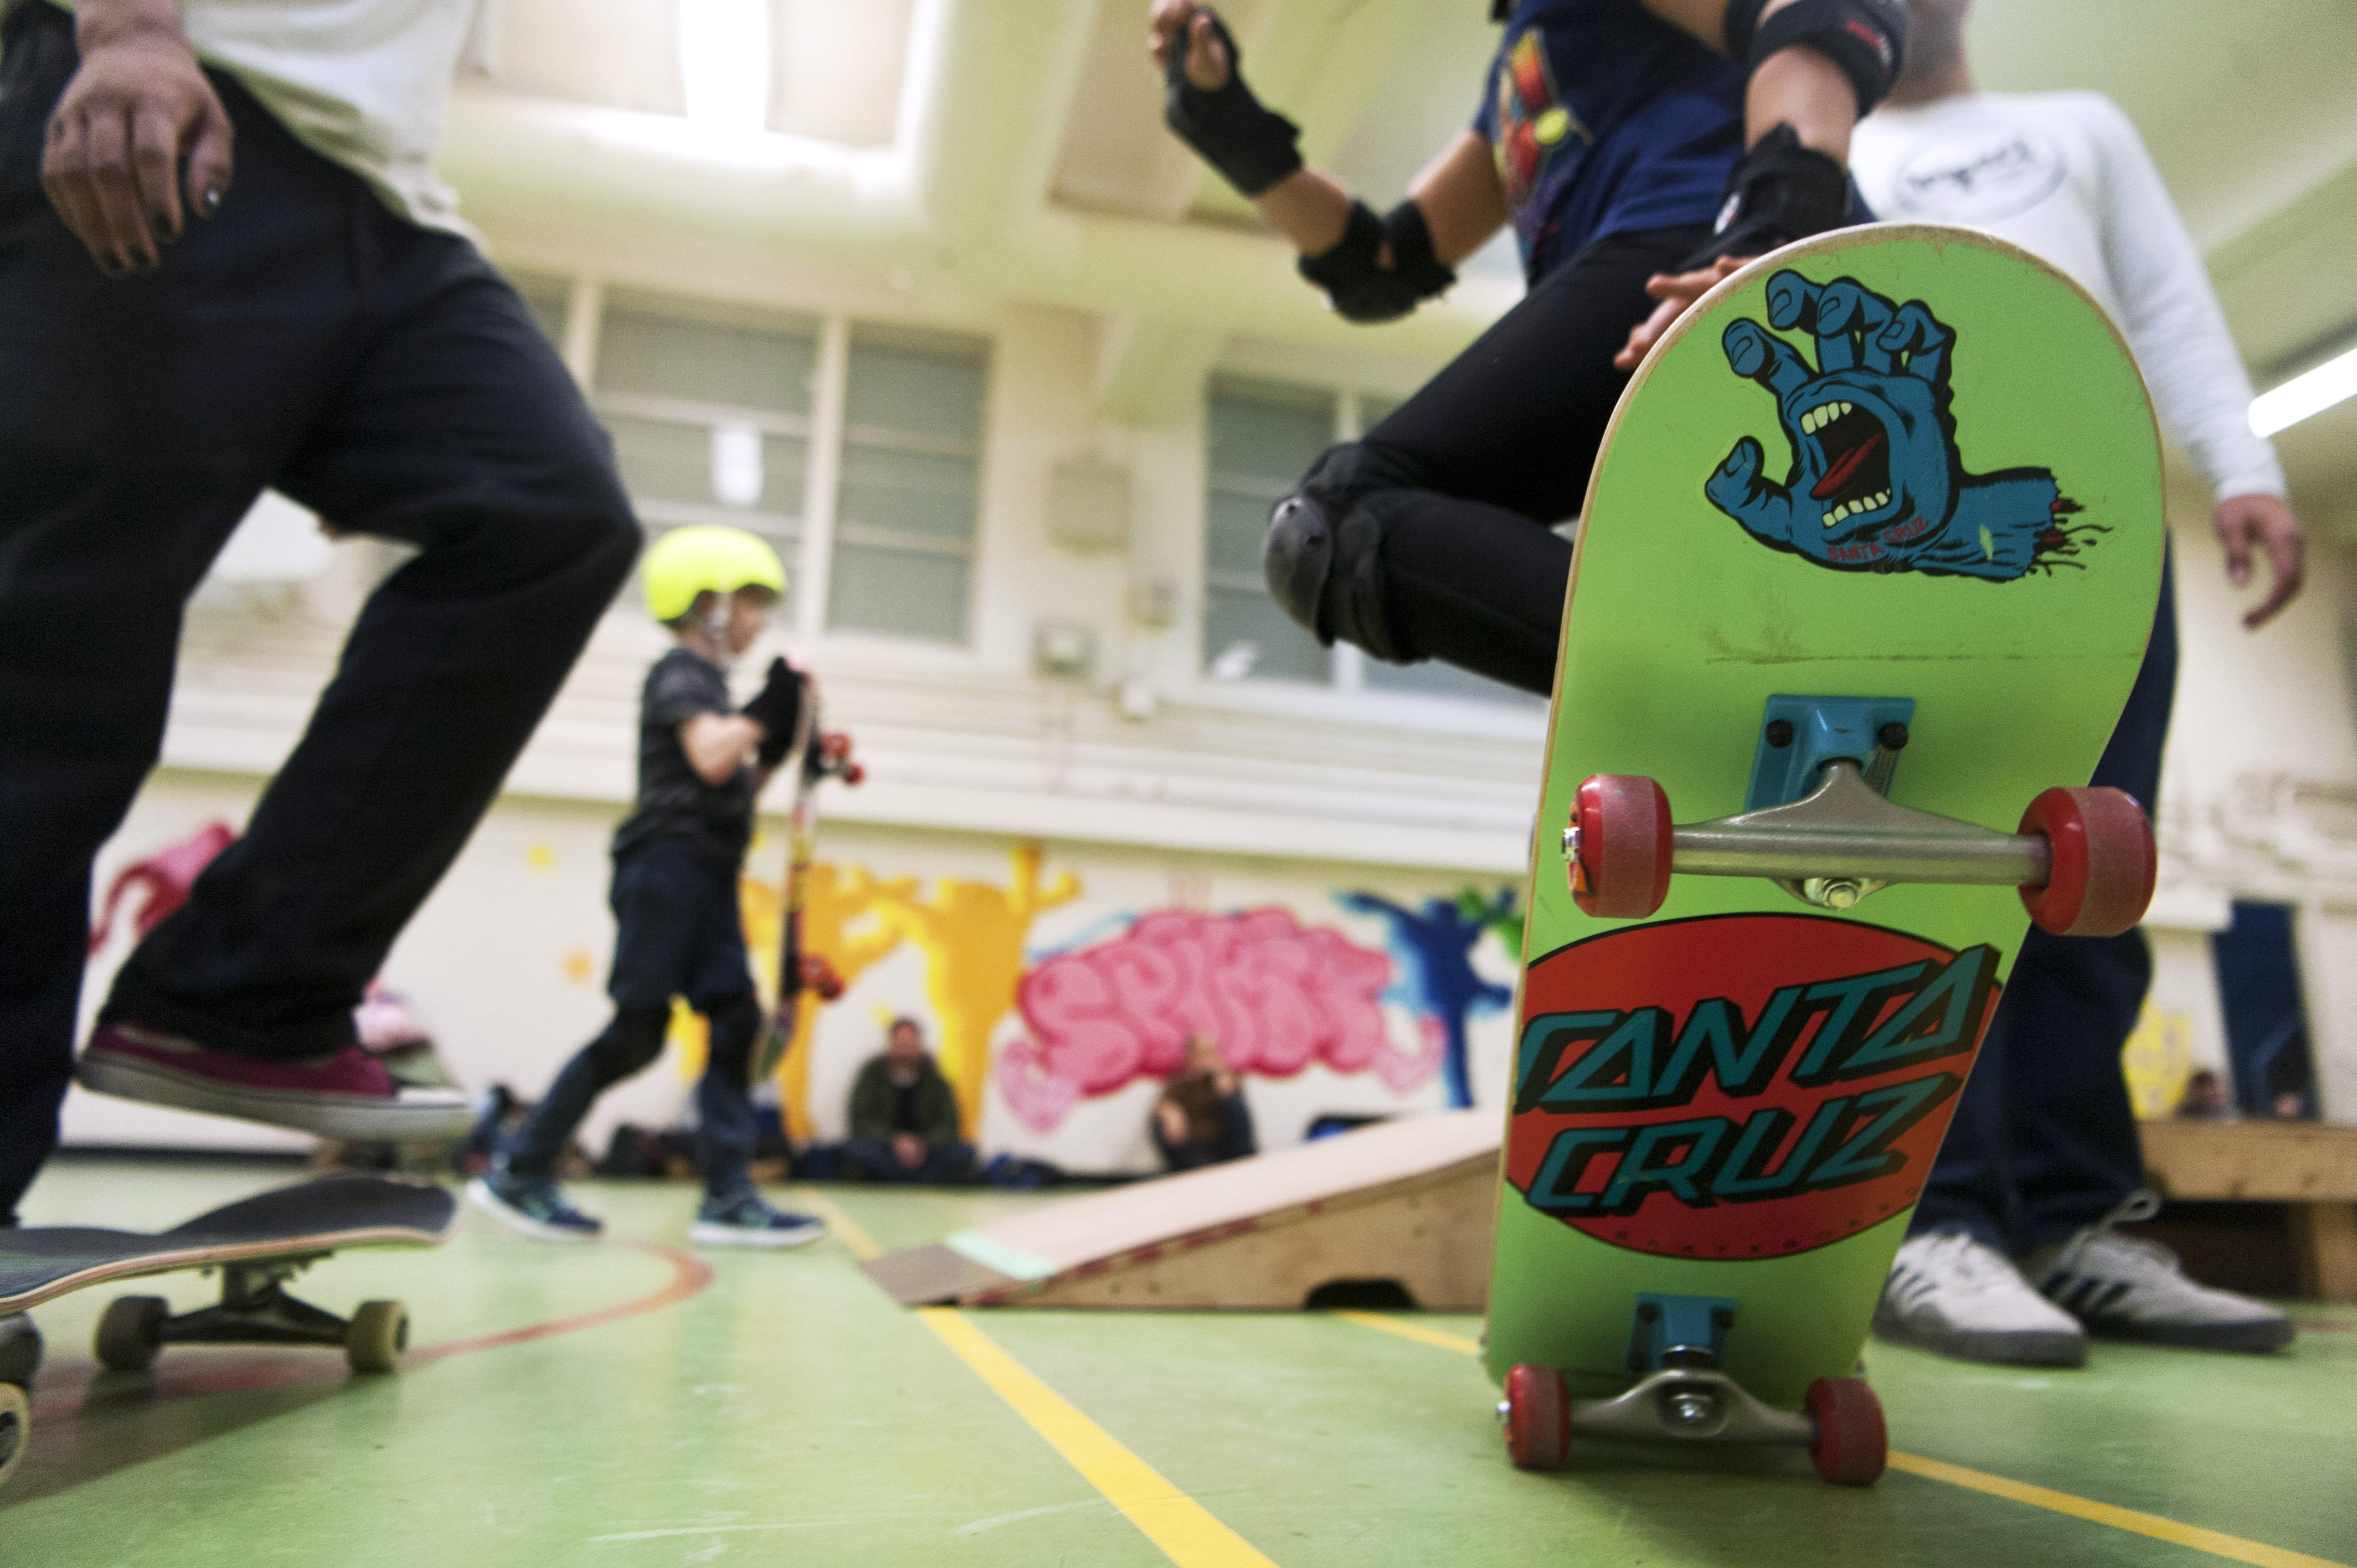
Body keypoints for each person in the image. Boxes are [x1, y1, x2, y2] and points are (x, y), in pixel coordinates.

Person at [0, 0, 641, 1364]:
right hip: (172, 96)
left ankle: (240, 990)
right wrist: (124, 30)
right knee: (54, 656)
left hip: (387, 214)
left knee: (548, 515)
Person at [1852, 0, 2301, 1364]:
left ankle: (2071, 1219)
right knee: (1946, 870)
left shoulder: (2077, 130)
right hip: (1918, 544)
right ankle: (1940, 1225)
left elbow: (2165, 302)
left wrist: (2247, 468)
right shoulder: (1832, 150)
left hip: (2102, 527)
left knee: (2092, 876)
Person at [1149, 0, 1903, 695]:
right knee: (1335, 532)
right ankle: (1769, 680)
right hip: (1673, 299)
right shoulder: (1520, 66)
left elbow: (1821, 15)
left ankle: (1719, 691)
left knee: (1342, 520)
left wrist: (1773, 232)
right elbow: (1382, 265)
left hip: (1698, 253)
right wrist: (1229, 128)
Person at [470, 527, 824, 1247]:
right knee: (636, 1034)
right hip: (667, 870)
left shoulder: (714, 689)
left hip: (707, 872)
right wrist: (760, 716)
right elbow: (711, 758)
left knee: (733, 1025)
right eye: (751, 602)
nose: (758, 620)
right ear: (709, 604)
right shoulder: (679, 673)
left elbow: (737, 785)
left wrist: (783, 741)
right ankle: (521, 1170)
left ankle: (728, 1198)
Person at [843, 1018, 976, 1184]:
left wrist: (923, 1144)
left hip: (927, 1154)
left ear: (918, 1046)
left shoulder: (935, 1078)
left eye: (909, 1043)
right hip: (885, 1150)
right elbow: (860, 1119)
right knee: (857, 1151)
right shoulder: (872, 1074)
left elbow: (950, 1125)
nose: (904, 1051)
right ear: (891, 1044)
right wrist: (894, 1141)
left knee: (963, 1154)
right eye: (900, 1043)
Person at [1150, 1034, 1257, 1172]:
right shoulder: (1180, 1083)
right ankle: (1188, 1171)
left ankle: (1243, 1162)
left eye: (1210, 1053)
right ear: (1190, 1056)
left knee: (1235, 1106)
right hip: (1194, 1151)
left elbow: (1239, 1115)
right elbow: (1161, 1104)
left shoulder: (1227, 1078)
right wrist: (1170, 1113)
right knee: (1160, 1123)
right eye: (1201, 1054)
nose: (1206, 1059)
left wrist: (1226, 1090)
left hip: (1226, 1147)